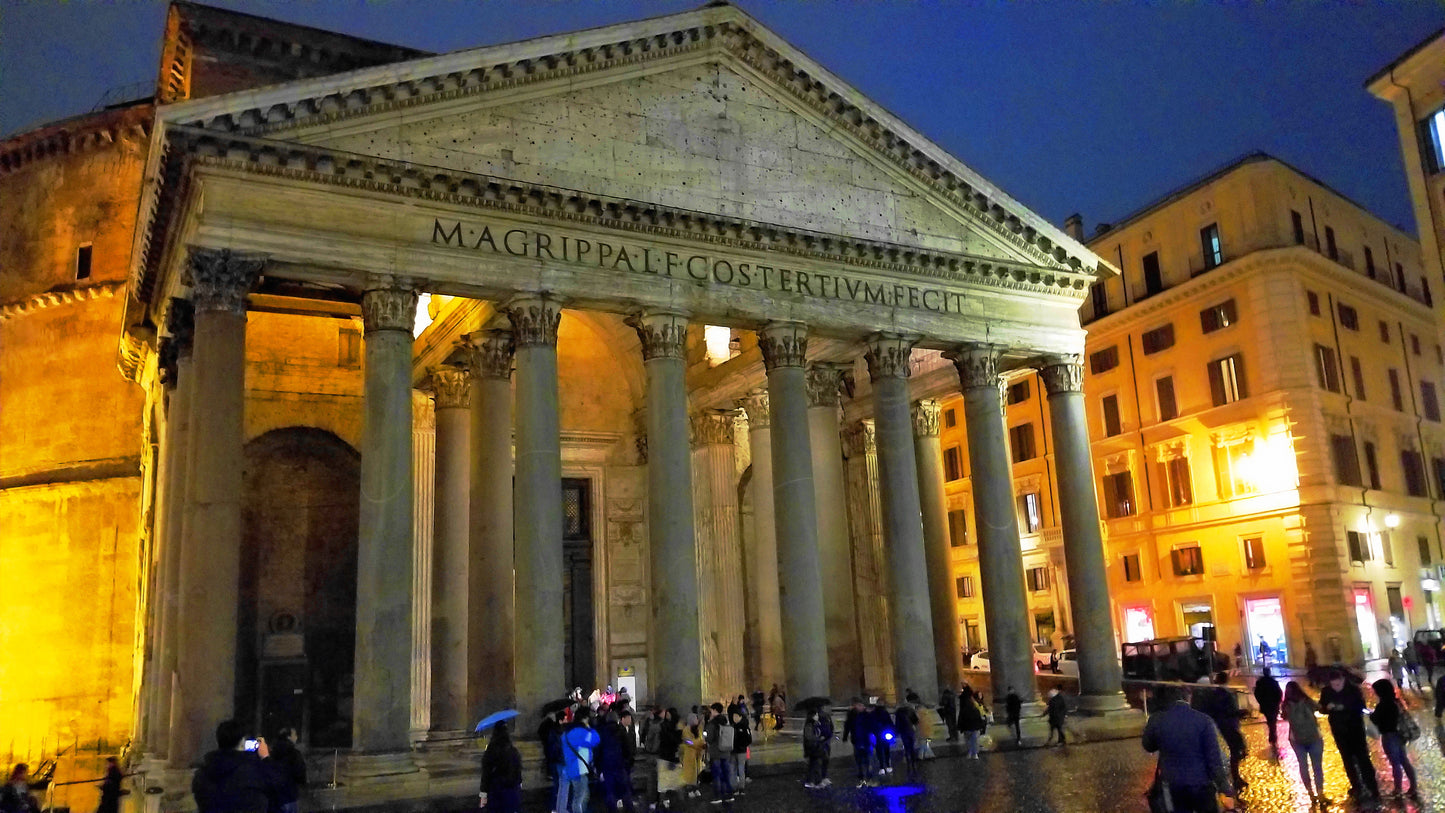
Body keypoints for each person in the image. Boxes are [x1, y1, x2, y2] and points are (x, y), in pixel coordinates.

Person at [1142, 685, 1234, 813]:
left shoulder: (1157, 720)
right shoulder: (1203, 721)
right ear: (1187, 698)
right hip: (1202, 783)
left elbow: (1148, 745)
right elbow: (1214, 759)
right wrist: (1224, 789)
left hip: (1173, 784)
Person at [192, 721, 282, 813]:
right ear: (242, 741)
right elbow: (278, 789)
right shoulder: (252, 772)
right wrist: (265, 758)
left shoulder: (203, 773)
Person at [1318, 669, 1378, 800]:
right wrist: (1326, 708)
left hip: (1355, 729)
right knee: (1347, 760)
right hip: (1339, 731)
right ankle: (1356, 786)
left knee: (1363, 759)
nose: (1335, 687)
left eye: (1338, 685)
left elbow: (1361, 707)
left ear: (1343, 680)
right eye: (1333, 685)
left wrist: (1344, 707)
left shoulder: (1353, 690)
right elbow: (1321, 707)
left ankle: (1372, 787)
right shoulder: (1326, 691)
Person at [1191, 673, 1246, 791]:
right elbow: (1227, 711)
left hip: (1225, 725)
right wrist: (1240, 713)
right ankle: (1235, 778)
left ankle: (1236, 777)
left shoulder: (1214, 694)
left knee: (1237, 749)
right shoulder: (1223, 694)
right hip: (1228, 726)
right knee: (1236, 750)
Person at [1370, 679, 1419, 798]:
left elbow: (1377, 720)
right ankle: (1413, 786)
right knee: (1404, 761)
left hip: (1389, 736)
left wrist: (1372, 715)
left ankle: (1398, 789)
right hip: (1400, 735)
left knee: (1395, 763)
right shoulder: (1396, 702)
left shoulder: (1383, 705)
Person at [1282, 681, 1326, 804]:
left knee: (1303, 766)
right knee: (1317, 766)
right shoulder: (1307, 701)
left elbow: (1284, 717)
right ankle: (1321, 793)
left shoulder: (1286, 705)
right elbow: (1319, 708)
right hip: (1314, 737)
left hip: (1296, 740)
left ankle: (1311, 793)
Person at [557, 707, 600, 813]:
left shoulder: (567, 731)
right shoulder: (580, 732)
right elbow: (595, 739)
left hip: (569, 766)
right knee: (579, 799)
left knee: (580, 796)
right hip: (578, 769)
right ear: (585, 719)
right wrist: (589, 728)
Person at [598, 709, 637, 812]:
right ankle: (629, 809)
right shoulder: (621, 731)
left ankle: (612, 810)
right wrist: (627, 761)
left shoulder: (602, 732)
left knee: (610, 791)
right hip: (620, 765)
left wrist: (599, 766)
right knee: (625, 790)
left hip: (607, 765)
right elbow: (627, 749)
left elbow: (598, 750)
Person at [479, 721, 523, 813]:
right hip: (511, 790)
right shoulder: (513, 751)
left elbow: (486, 774)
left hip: (496, 790)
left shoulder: (491, 751)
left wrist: (483, 795)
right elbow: (518, 770)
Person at [267, 728, 306, 813]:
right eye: (294, 735)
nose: (296, 737)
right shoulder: (294, 754)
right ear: (289, 737)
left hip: (274, 797)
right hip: (289, 796)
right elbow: (300, 775)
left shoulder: (272, 753)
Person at [703, 702, 735, 804]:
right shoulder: (725, 721)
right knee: (726, 774)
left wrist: (705, 735)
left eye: (712, 710)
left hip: (716, 752)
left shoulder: (712, 724)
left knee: (716, 775)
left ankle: (717, 796)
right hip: (726, 751)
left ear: (715, 710)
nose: (711, 712)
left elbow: (709, 738)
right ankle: (729, 794)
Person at [653, 709, 683, 810]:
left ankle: (670, 802)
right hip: (667, 756)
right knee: (666, 782)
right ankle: (667, 802)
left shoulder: (669, 726)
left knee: (671, 782)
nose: (667, 716)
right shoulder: (666, 726)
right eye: (667, 714)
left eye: (669, 714)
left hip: (669, 756)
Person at [841, 698, 874, 787]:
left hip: (865, 739)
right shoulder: (852, 715)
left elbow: (871, 726)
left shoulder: (866, 715)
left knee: (866, 758)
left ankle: (867, 775)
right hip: (857, 740)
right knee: (860, 759)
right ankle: (862, 776)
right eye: (859, 705)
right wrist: (845, 736)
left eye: (862, 705)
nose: (862, 707)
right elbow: (847, 726)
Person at [538, 709, 566, 805]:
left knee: (557, 782)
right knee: (561, 784)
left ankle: (556, 803)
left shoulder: (551, 728)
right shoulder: (558, 731)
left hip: (554, 758)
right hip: (559, 759)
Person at [1252, 667, 1282, 747]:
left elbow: (1257, 693)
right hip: (1273, 705)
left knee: (1270, 720)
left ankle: (1272, 734)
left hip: (1265, 705)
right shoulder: (1273, 682)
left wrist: (1261, 702)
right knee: (1273, 720)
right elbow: (1279, 693)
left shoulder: (1260, 682)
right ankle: (1273, 734)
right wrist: (1278, 703)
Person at [680, 714, 705, 800]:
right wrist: (697, 744)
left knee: (697, 773)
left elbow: (701, 739)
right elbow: (688, 741)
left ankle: (696, 788)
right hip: (689, 755)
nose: (697, 720)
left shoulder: (698, 729)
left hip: (698, 755)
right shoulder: (686, 730)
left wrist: (701, 744)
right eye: (695, 719)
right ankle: (690, 790)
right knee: (690, 774)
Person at [956, 687, 985, 758]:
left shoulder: (964, 710)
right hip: (974, 728)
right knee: (974, 741)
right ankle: (975, 753)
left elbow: (961, 719)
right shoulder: (975, 710)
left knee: (968, 741)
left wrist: (960, 727)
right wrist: (981, 726)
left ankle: (970, 752)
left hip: (967, 728)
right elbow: (979, 719)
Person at [868, 701, 894, 776]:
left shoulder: (872, 714)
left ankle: (881, 767)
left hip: (877, 734)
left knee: (879, 751)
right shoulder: (885, 713)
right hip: (886, 733)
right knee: (886, 750)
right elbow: (890, 723)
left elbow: (871, 724)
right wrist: (893, 732)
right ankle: (888, 765)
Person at [894, 701, 919, 775]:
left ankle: (908, 760)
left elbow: (897, 723)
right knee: (912, 746)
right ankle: (913, 762)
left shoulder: (898, 712)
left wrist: (897, 732)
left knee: (906, 746)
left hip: (903, 731)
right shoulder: (910, 711)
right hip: (910, 730)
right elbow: (916, 721)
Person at [728, 708, 751, 791]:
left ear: (740, 717)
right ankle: (735, 787)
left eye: (736, 716)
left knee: (740, 769)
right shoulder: (733, 727)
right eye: (733, 716)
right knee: (734, 769)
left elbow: (749, 739)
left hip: (740, 751)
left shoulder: (744, 727)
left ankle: (741, 787)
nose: (734, 718)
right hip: (734, 751)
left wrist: (741, 745)